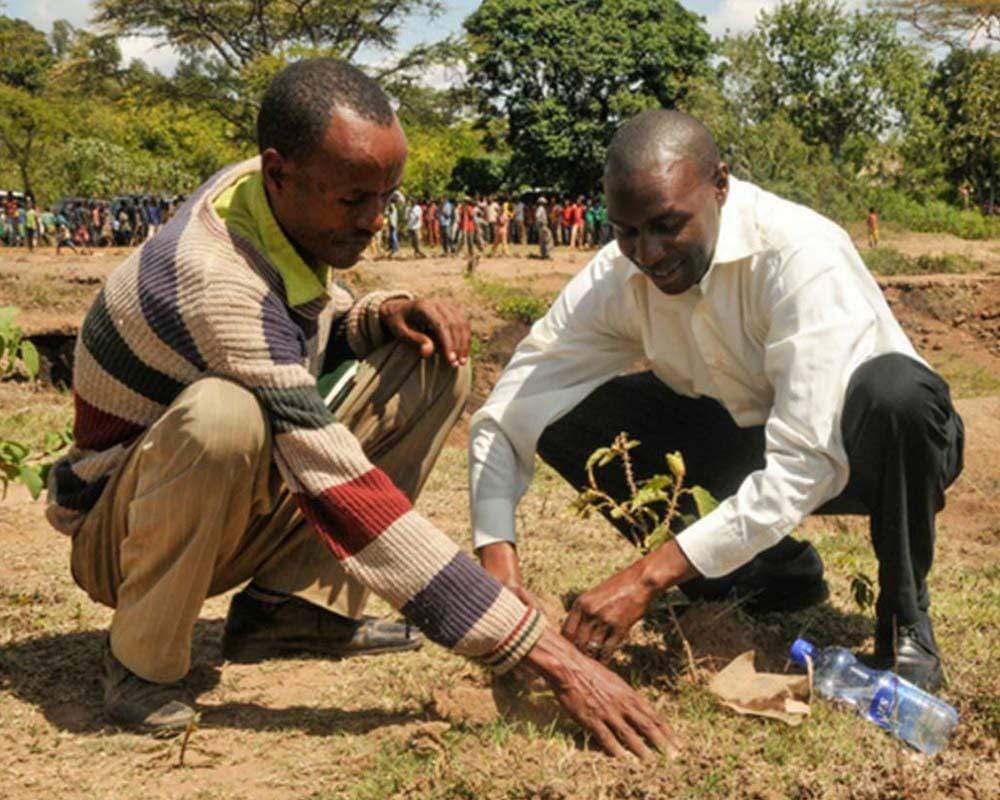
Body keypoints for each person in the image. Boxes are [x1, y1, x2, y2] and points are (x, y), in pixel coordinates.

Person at [44, 60, 672, 759]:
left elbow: (304, 322)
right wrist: (547, 657)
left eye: (387, 198)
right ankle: (141, 662)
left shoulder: (254, 195)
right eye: (354, 201)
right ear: (279, 171)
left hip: (218, 504)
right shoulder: (211, 277)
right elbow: (338, 485)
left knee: (430, 362)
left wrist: (384, 314)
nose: (376, 221)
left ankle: (297, 611)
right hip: (118, 532)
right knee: (222, 417)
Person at [469, 109, 963, 693]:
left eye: (668, 225)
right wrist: (495, 558)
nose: (648, 254)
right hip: (746, 439)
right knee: (565, 413)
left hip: (873, 450)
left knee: (895, 395)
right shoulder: (618, 275)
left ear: (720, 185)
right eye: (627, 231)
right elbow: (513, 404)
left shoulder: (799, 254)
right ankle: (760, 575)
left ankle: (906, 618)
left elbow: (806, 461)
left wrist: (647, 578)